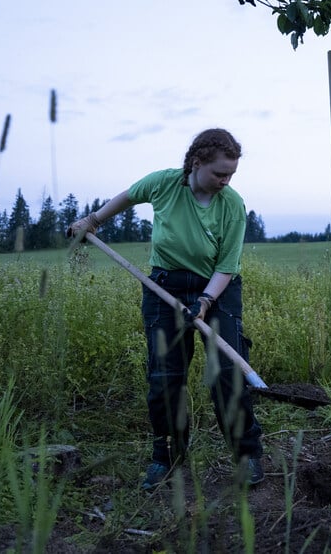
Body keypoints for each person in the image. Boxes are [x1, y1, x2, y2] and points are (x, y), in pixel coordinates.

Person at [69, 128, 264, 490]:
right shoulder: (163, 184)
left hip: (218, 290)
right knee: (164, 379)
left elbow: (227, 265)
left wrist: (205, 302)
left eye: (231, 174)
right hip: (164, 286)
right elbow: (128, 197)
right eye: (219, 173)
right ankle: (168, 458)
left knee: (227, 372)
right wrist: (93, 221)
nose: (226, 180)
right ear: (196, 163)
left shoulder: (232, 205)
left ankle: (247, 455)